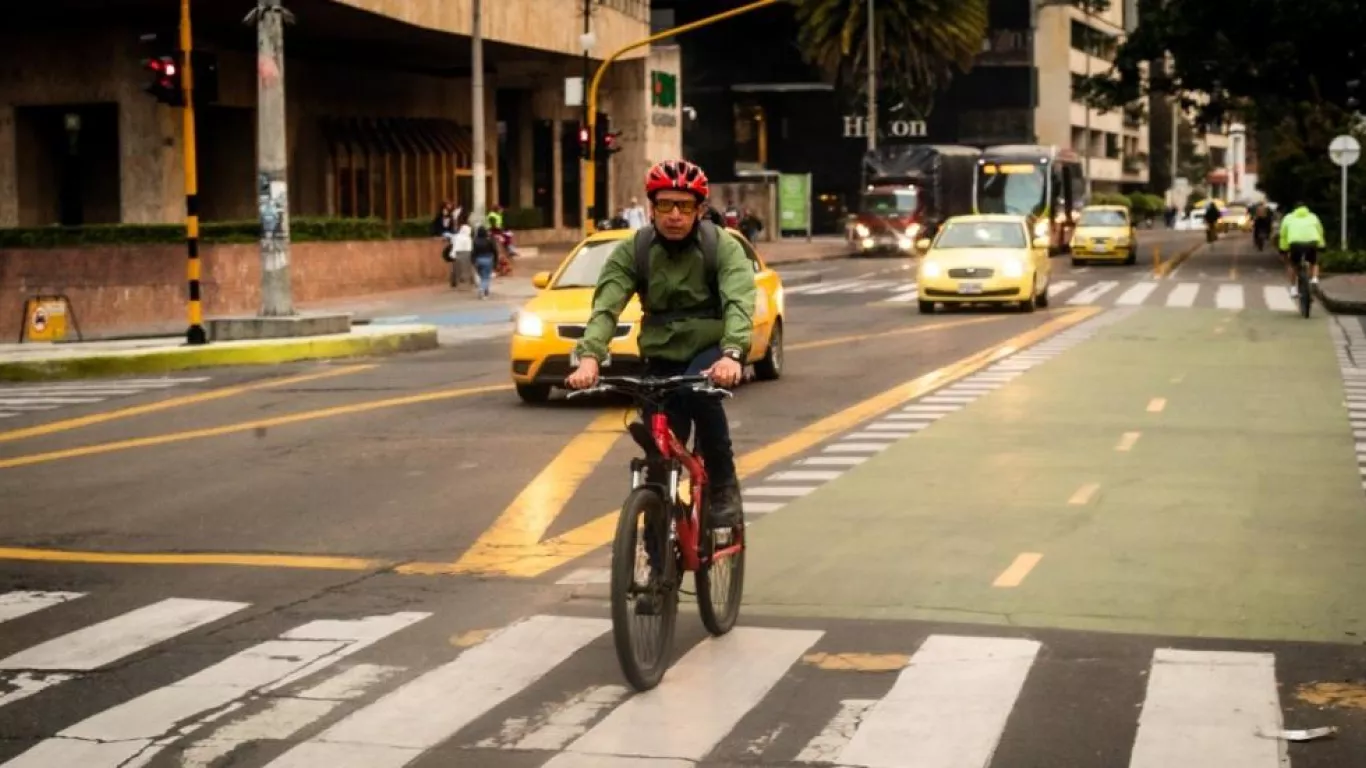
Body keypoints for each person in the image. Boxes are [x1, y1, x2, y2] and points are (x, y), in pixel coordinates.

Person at [564, 159, 756, 528]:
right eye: (665, 205)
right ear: (651, 208)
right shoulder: (633, 251)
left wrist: (732, 355)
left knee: (701, 394)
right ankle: (655, 564)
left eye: (684, 206)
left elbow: (738, 301)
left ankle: (722, 486)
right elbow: (606, 307)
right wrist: (589, 358)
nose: (674, 215)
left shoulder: (723, 247)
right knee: (658, 457)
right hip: (659, 352)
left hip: (711, 349)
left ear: (699, 210)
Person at [1278, 202, 1326, 299]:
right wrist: (1321, 245)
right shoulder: (1313, 217)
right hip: (1312, 242)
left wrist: (1283, 249)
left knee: (1292, 264)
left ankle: (1293, 289)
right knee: (1314, 261)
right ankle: (1314, 279)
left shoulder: (1288, 218)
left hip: (1295, 244)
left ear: (1294, 209)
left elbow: (1283, 235)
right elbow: (1320, 231)